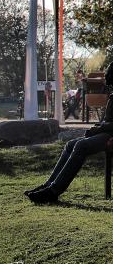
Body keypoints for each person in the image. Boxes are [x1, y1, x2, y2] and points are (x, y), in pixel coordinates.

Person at [26, 63, 113, 203]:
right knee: (70, 144)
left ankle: (53, 192)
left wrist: (100, 128)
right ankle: (48, 185)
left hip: (110, 134)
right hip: (106, 131)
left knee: (81, 146)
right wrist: (98, 127)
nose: (106, 80)